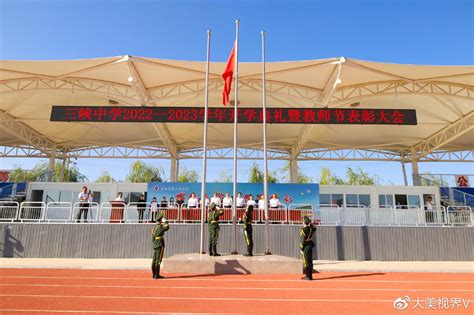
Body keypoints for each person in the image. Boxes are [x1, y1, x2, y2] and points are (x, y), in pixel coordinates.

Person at [300, 216, 316, 281]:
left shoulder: (303, 230)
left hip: (306, 246)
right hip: (310, 245)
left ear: (304, 222)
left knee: (306, 262)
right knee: (310, 261)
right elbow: (315, 228)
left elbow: (302, 240)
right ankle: (310, 276)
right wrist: (310, 223)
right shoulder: (311, 228)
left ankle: (308, 277)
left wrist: (301, 248)